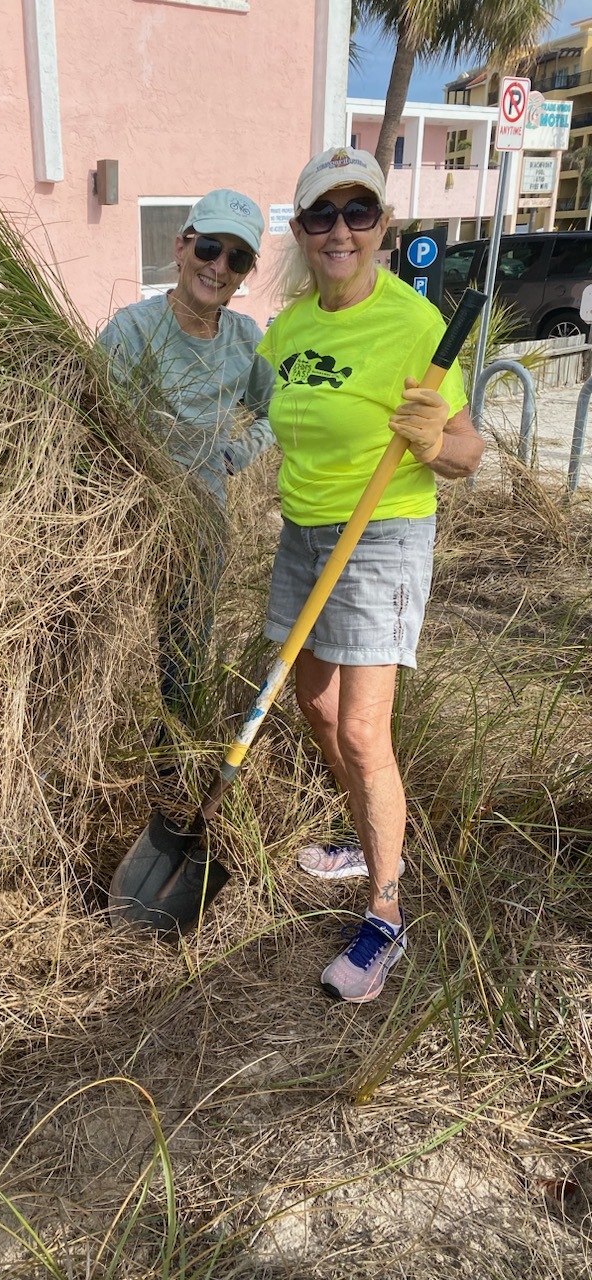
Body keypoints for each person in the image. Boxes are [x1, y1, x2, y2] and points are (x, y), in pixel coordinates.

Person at [256, 146, 483, 1003]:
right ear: (303, 230)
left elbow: (467, 452)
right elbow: (253, 404)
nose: (340, 231)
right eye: (323, 215)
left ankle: (385, 912)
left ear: (382, 226)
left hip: (383, 530)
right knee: (312, 705)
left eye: (359, 214)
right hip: (304, 530)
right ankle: (363, 834)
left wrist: (436, 441)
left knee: (359, 731)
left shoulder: (416, 324)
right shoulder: (290, 326)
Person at [97, 189, 275, 725]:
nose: (218, 267)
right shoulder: (130, 330)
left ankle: (171, 757)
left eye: (236, 258)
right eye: (210, 249)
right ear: (182, 247)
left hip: (201, 521)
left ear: (246, 273)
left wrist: (236, 455)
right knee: (95, 643)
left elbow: (277, 414)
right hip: (125, 518)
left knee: (184, 650)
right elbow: (89, 423)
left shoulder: (247, 339)